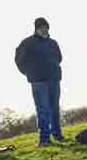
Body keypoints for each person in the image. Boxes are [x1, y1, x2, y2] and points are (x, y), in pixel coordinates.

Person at [14, 17, 66, 146]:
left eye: (45, 27)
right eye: (41, 28)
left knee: (55, 108)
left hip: (54, 79)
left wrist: (54, 68)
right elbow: (19, 60)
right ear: (36, 29)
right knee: (43, 109)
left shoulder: (53, 43)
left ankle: (57, 134)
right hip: (38, 82)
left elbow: (59, 58)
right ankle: (44, 139)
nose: (44, 30)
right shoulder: (27, 43)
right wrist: (29, 73)